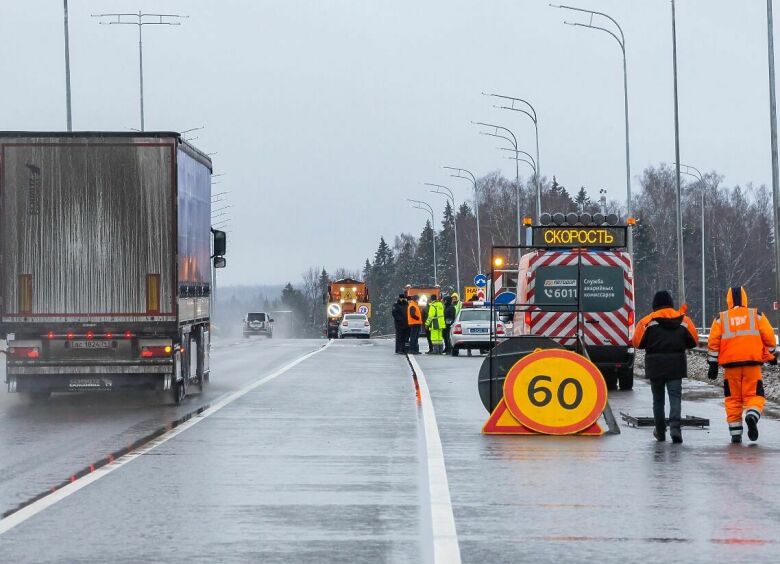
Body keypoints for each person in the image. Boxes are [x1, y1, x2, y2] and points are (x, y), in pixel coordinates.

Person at [707, 286, 777, 443]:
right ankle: (752, 415)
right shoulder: (756, 315)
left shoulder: (720, 319)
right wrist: (771, 355)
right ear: (745, 298)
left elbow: (713, 342)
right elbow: (770, 338)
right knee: (754, 395)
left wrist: (712, 364)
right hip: (752, 365)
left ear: (728, 300)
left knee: (733, 399)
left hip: (731, 367)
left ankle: (735, 434)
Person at [633, 290, 697, 443]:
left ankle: (660, 431)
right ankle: (675, 429)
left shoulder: (647, 321)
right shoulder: (684, 320)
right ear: (671, 303)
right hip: (676, 365)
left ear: (655, 305)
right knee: (675, 398)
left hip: (655, 366)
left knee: (658, 400)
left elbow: (637, 342)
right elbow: (693, 340)